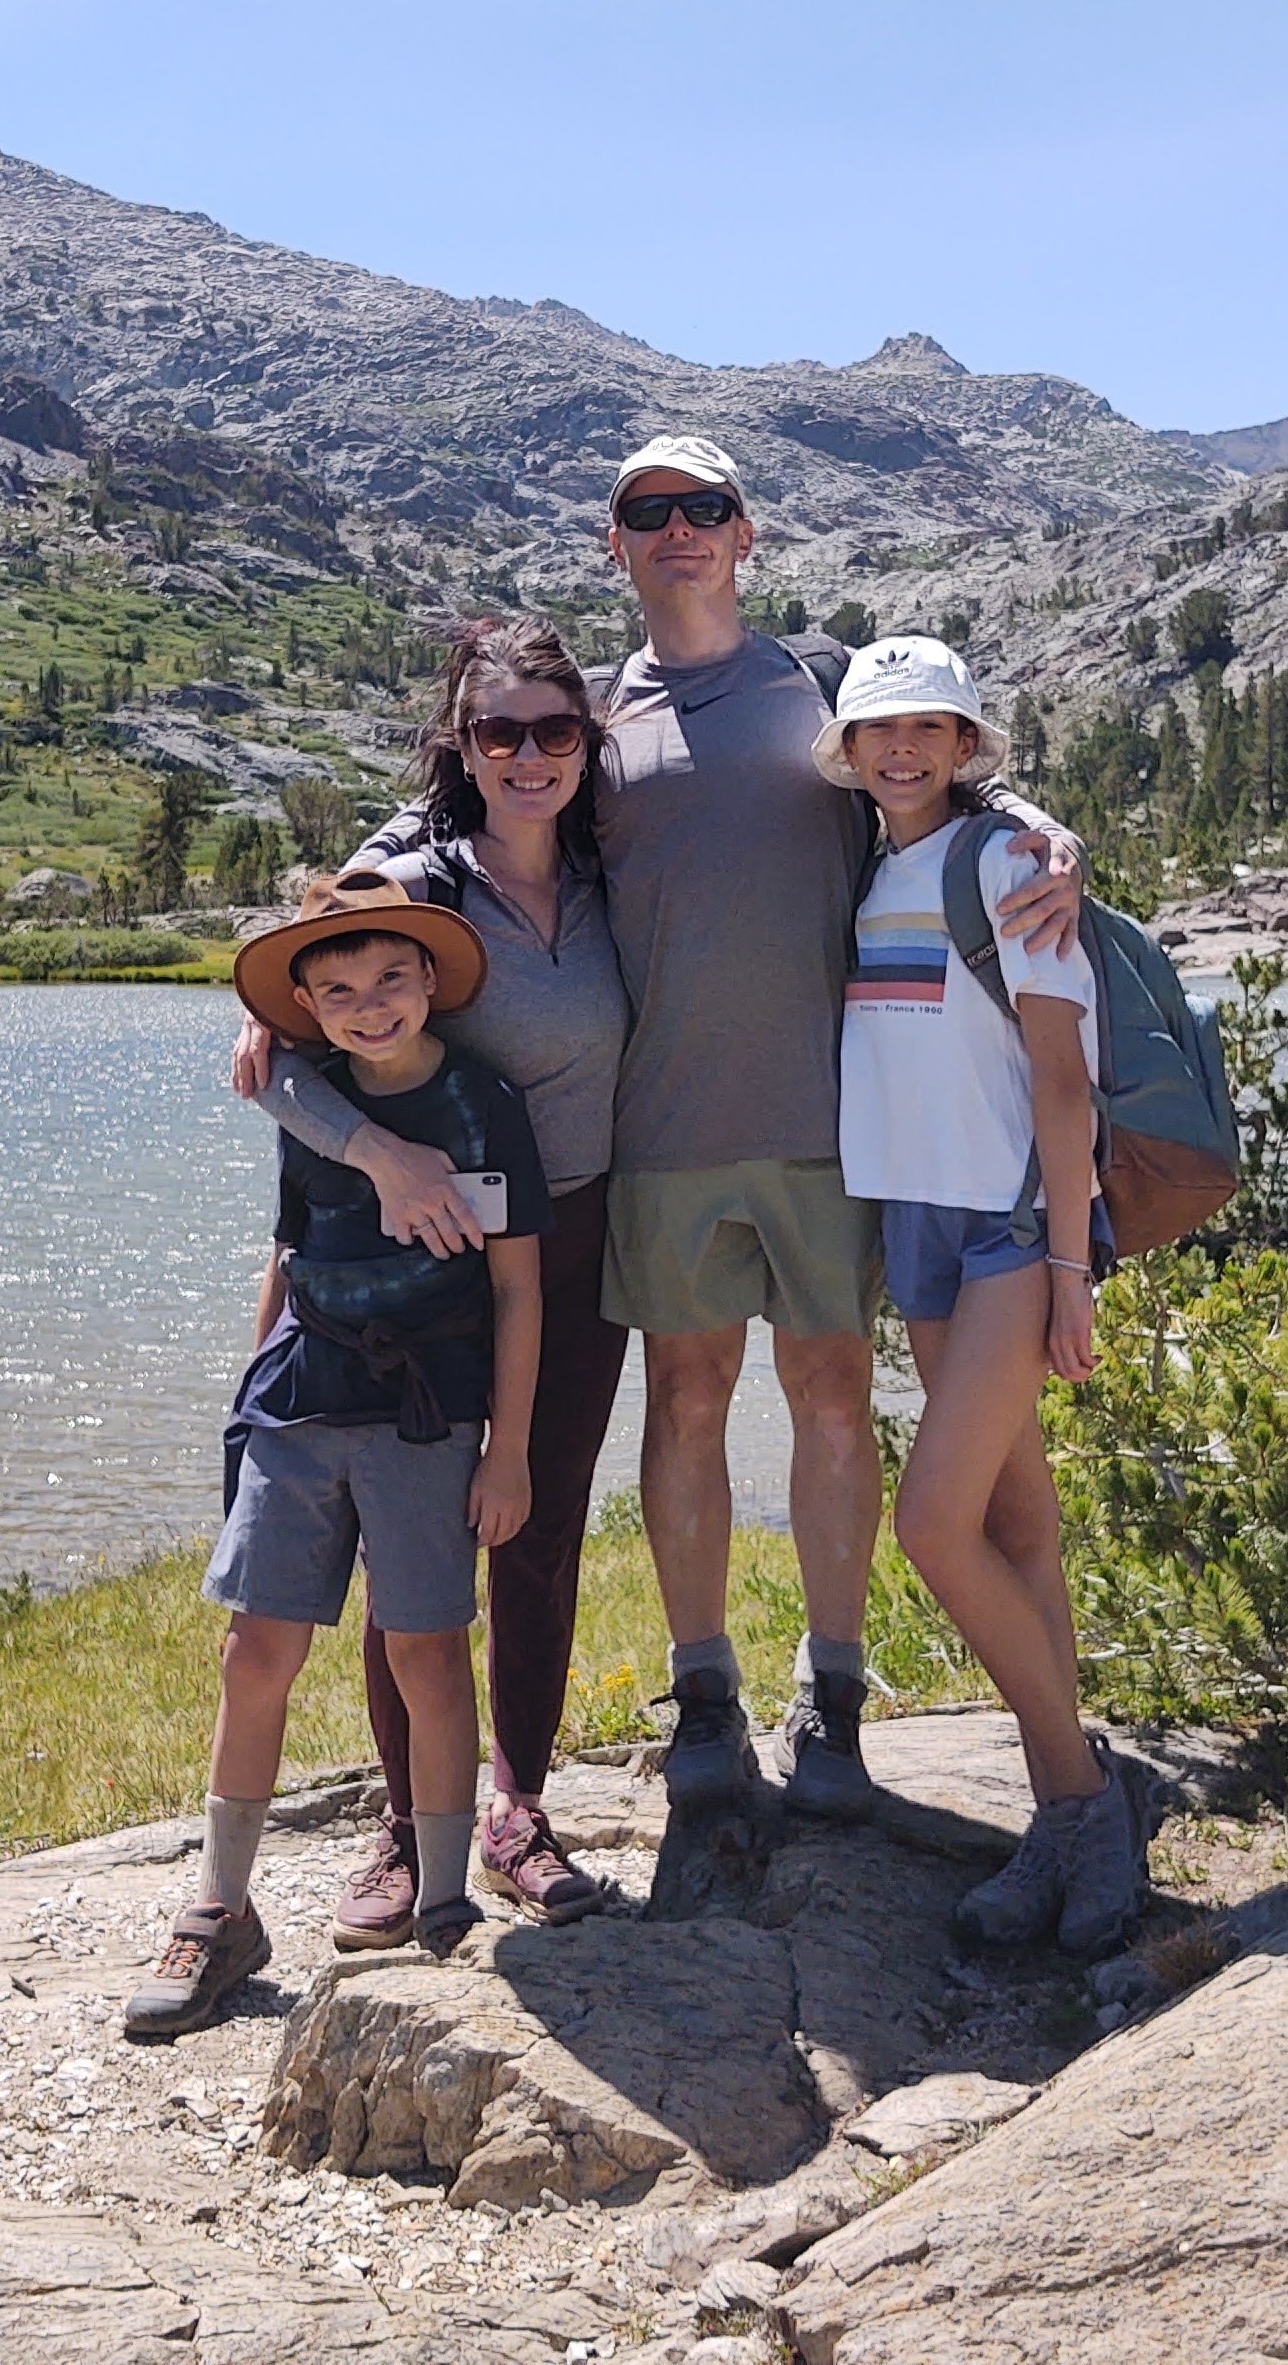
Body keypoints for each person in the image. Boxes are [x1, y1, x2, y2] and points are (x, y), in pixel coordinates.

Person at [270, 435, 1085, 1830]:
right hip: (659, 1133)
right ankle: (703, 1697)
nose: (680, 530)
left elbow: (929, 772)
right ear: (617, 545)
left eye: (704, 507)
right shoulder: (589, 719)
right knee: (689, 1399)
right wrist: (325, 930)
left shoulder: (820, 685)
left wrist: (1036, 817)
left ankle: (834, 1703)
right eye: (649, 512)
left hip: (833, 1130)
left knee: (834, 1398)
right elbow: (458, 804)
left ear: (745, 531)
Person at [255, 619, 634, 1940]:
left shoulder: (614, 864)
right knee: (408, 1535)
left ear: (587, 743)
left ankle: (518, 1808)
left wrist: (1031, 827)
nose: (529, 755)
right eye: (499, 732)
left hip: (575, 1235)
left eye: (555, 729)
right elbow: (281, 1047)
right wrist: (373, 1154)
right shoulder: (409, 879)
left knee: (535, 1521)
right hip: (418, 1245)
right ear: (459, 748)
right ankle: (410, 1834)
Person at [123, 881, 546, 2041]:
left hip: (427, 1416)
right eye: (339, 990)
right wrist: (245, 1397)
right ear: (305, 1002)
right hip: (301, 1402)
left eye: (391, 980)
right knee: (254, 1648)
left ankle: (448, 1898)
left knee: (425, 1647)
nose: (369, 1007)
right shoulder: (306, 1107)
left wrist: (507, 1449)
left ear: (431, 983)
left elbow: (518, 1287)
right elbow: (287, 1250)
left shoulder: (484, 1102)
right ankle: (219, 1908)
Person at [818, 636, 1146, 1956]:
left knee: (933, 1526)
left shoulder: (1008, 864)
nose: (901, 749)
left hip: (1013, 1226)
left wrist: (1072, 1266)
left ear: (966, 747)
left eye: (928, 728)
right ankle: (1058, 1823)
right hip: (922, 1225)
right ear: (848, 754)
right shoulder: (878, 864)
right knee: (1017, 1521)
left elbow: (1062, 1082)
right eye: (876, 731)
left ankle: (1081, 1803)